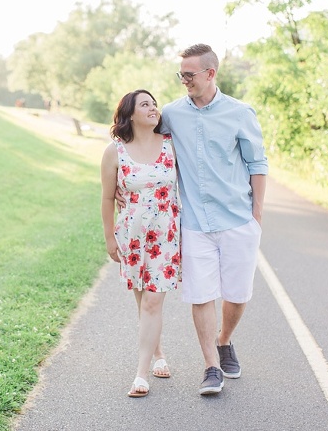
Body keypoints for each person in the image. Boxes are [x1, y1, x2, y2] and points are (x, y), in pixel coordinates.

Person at [127, 44, 267, 395]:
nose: (184, 80)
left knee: (237, 294)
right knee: (201, 295)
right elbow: (140, 135)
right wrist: (121, 179)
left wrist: (257, 215)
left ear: (210, 73)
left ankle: (224, 340)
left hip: (237, 219)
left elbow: (257, 164)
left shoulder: (240, 112)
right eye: (181, 75)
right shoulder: (172, 113)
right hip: (193, 223)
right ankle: (211, 367)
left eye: (190, 74)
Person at [100, 89, 181, 398]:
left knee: (152, 301)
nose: (152, 108)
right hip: (131, 236)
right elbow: (107, 198)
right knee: (142, 300)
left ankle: (141, 375)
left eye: (154, 104)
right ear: (130, 114)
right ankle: (158, 352)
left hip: (165, 235)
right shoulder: (115, 152)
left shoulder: (172, 146)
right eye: (144, 104)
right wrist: (110, 238)